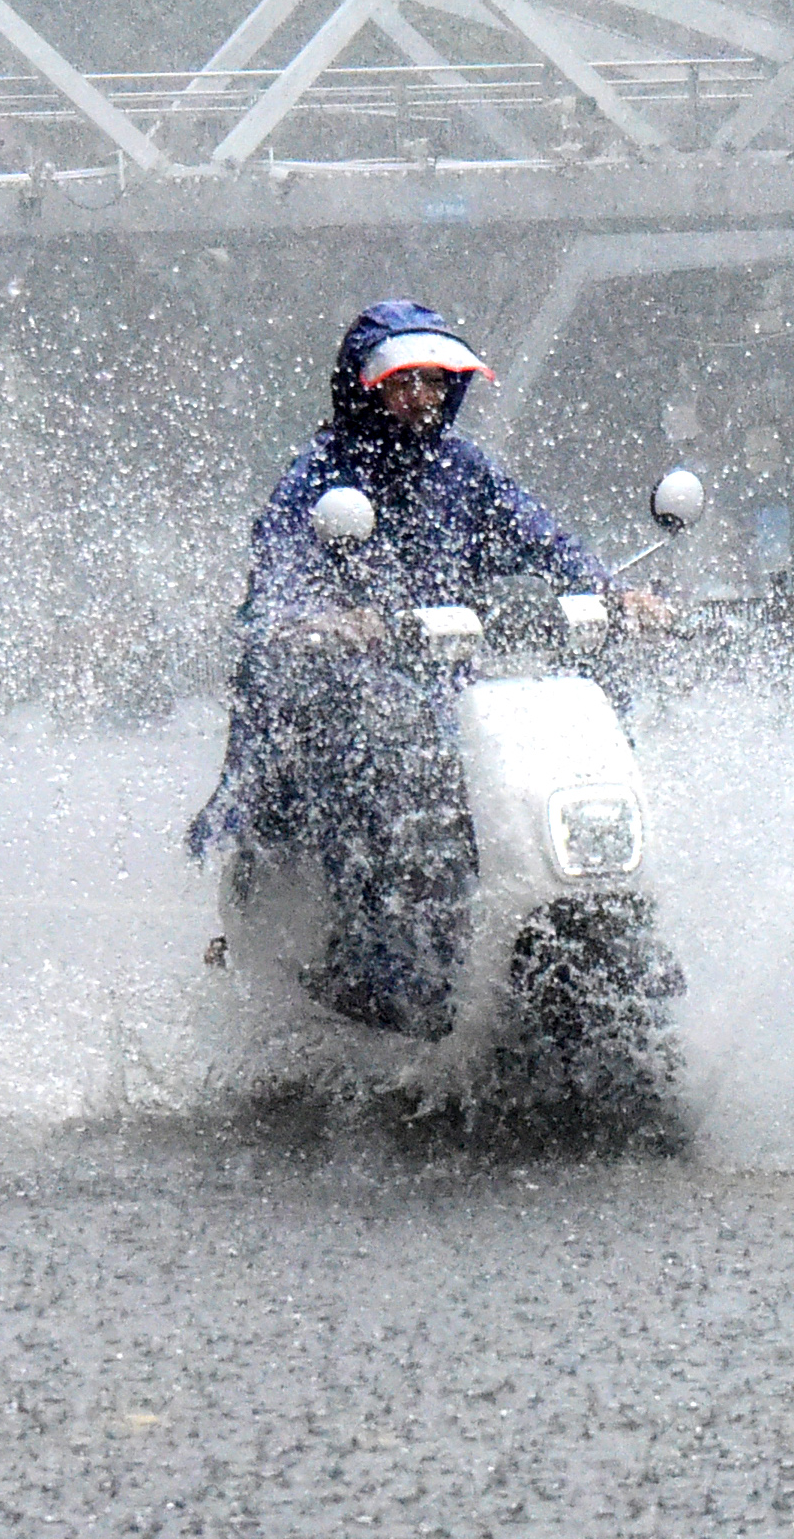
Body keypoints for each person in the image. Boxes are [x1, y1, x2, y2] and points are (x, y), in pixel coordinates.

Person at [187, 300, 660, 1035]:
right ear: (365, 387)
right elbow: (280, 566)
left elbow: (540, 536)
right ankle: (380, 959)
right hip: (341, 686)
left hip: (452, 683)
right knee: (386, 755)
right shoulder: (322, 471)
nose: (421, 399)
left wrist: (610, 591)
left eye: (435, 383)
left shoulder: (462, 468)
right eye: (404, 383)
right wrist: (324, 618)